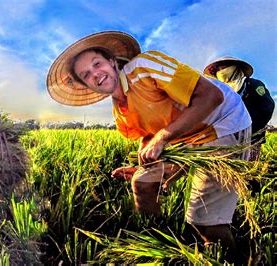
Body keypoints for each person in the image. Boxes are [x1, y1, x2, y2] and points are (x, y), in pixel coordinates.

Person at [46, 31, 252, 261]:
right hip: (187, 138)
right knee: (142, 183)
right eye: (87, 74)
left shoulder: (144, 68)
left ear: (112, 62)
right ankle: (159, 243)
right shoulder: (120, 113)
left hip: (223, 123)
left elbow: (212, 96)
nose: (96, 74)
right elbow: (148, 138)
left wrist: (162, 137)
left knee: (203, 222)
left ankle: (229, 259)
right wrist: (143, 164)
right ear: (87, 85)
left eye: (97, 64)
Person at [203, 57, 275, 160]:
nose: (221, 71)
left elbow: (267, 107)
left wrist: (248, 128)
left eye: (225, 67)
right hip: (228, 140)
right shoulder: (222, 92)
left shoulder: (253, 85)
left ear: (235, 68)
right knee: (228, 169)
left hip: (252, 138)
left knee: (248, 168)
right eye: (219, 69)